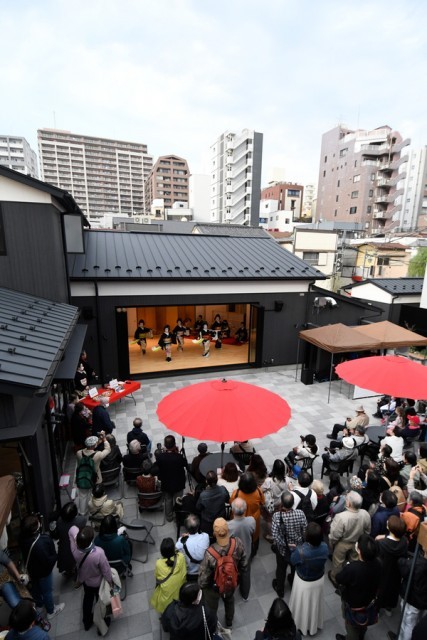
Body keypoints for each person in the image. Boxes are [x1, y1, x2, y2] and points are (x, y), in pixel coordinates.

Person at [198, 518, 247, 629]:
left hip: (214, 588)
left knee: (212, 608)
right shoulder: (237, 543)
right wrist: (237, 577)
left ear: (214, 534)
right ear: (227, 530)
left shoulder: (210, 553)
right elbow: (244, 563)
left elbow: (203, 579)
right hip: (230, 582)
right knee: (229, 601)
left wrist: (203, 587)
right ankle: (229, 622)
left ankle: (213, 626)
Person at [335, 534, 381, 640]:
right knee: (363, 623)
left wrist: (346, 567)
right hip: (369, 602)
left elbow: (339, 578)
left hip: (353, 605)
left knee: (351, 626)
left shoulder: (352, 568)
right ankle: (361, 635)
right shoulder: (378, 564)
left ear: (359, 551)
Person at [68, 525, 113, 631]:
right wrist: (110, 581)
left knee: (87, 600)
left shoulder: (75, 551)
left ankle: (87, 622)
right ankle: (102, 623)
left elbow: (72, 529)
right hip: (98, 583)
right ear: (91, 540)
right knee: (100, 602)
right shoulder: (99, 553)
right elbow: (106, 570)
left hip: (86, 581)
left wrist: (78, 537)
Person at [21, 515, 65, 621]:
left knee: (35, 588)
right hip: (44, 572)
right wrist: (56, 556)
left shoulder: (22, 539)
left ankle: (39, 606)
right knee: (47, 591)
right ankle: (51, 611)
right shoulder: (44, 540)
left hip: (32, 570)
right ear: (37, 526)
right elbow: (49, 560)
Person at [289, 522, 329, 637]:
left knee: (302, 604)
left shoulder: (300, 551)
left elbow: (293, 561)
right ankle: (313, 625)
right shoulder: (325, 547)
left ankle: (300, 624)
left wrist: (294, 550)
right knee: (314, 604)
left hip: (304, 582)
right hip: (319, 579)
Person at [328, 490, 371, 586]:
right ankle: (350, 577)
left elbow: (334, 535)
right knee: (354, 561)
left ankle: (335, 578)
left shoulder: (341, 517)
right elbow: (368, 531)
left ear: (348, 503)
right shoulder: (365, 513)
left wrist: (332, 543)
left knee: (338, 562)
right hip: (357, 542)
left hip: (342, 543)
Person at [271, 492, 307, 598]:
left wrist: (285, 544)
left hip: (283, 550)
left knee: (281, 569)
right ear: (293, 503)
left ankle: (280, 590)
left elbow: (275, 535)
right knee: (295, 567)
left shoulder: (277, 516)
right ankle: (293, 582)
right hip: (298, 548)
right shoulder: (300, 513)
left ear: (282, 503)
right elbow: (305, 530)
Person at [388, 546, 427, 640]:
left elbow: (403, 566)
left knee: (408, 623)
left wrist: (406, 560)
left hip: (413, 599)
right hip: (423, 599)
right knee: (416, 621)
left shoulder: (419, 564)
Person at [375, 515, 408, 615]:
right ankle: (389, 608)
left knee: (380, 590)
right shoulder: (404, 542)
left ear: (390, 529)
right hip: (396, 572)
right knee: (393, 590)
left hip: (383, 571)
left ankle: (377, 610)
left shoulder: (382, 544)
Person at [230, 472, 265, 556]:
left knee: (240, 538)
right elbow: (262, 502)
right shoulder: (258, 491)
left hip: (240, 520)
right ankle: (253, 552)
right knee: (254, 536)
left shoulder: (236, 493)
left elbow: (231, 503)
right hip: (255, 519)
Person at [76, 434, 111, 516]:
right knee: (95, 494)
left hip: (82, 478)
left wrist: (97, 442)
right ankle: (94, 510)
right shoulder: (98, 454)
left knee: (82, 496)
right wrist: (104, 439)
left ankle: (82, 512)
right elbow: (108, 449)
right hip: (95, 479)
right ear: (94, 445)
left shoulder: (79, 453)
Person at [227, 497, 255, 599]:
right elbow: (253, 532)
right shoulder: (251, 520)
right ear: (245, 509)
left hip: (234, 556)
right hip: (246, 553)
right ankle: (245, 595)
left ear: (232, 510)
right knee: (246, 574)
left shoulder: (228, 526)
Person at [150, 538, 187, 614]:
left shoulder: (159, 563)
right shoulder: (181, 557)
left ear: (161, 552)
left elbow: (157, 577)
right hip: (180, 593)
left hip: (166, 600)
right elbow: (184, 573)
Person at [156, 435, 187, 522]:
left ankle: (169, 517)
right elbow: (185, 464)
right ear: (174, 444)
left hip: (166, 483)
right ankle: (178, 517)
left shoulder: (160, 457)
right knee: (178, 500)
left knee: (168, 500)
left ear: (165, 445)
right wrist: (178, 453)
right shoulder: (179, 457)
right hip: (178, 483)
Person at [175, 514, 210, 581]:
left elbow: (176, 548)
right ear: (198, 526)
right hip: (203, 571)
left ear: (186, 528)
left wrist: (183, 537)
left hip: (189, 573)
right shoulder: (205, 537)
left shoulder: (181, 543)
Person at [55, 502, 86, 575]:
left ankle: (69, 571)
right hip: (77, 547)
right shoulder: (81, 520)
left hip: (64, 547)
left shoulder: (59, 521)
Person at [196, 471, 229, 536]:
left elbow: (198, 507)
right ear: (217, 480)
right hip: (221, 520)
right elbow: (227, 500)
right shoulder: (223, 490)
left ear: (206, 481)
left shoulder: (203, 495)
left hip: (207, 523)